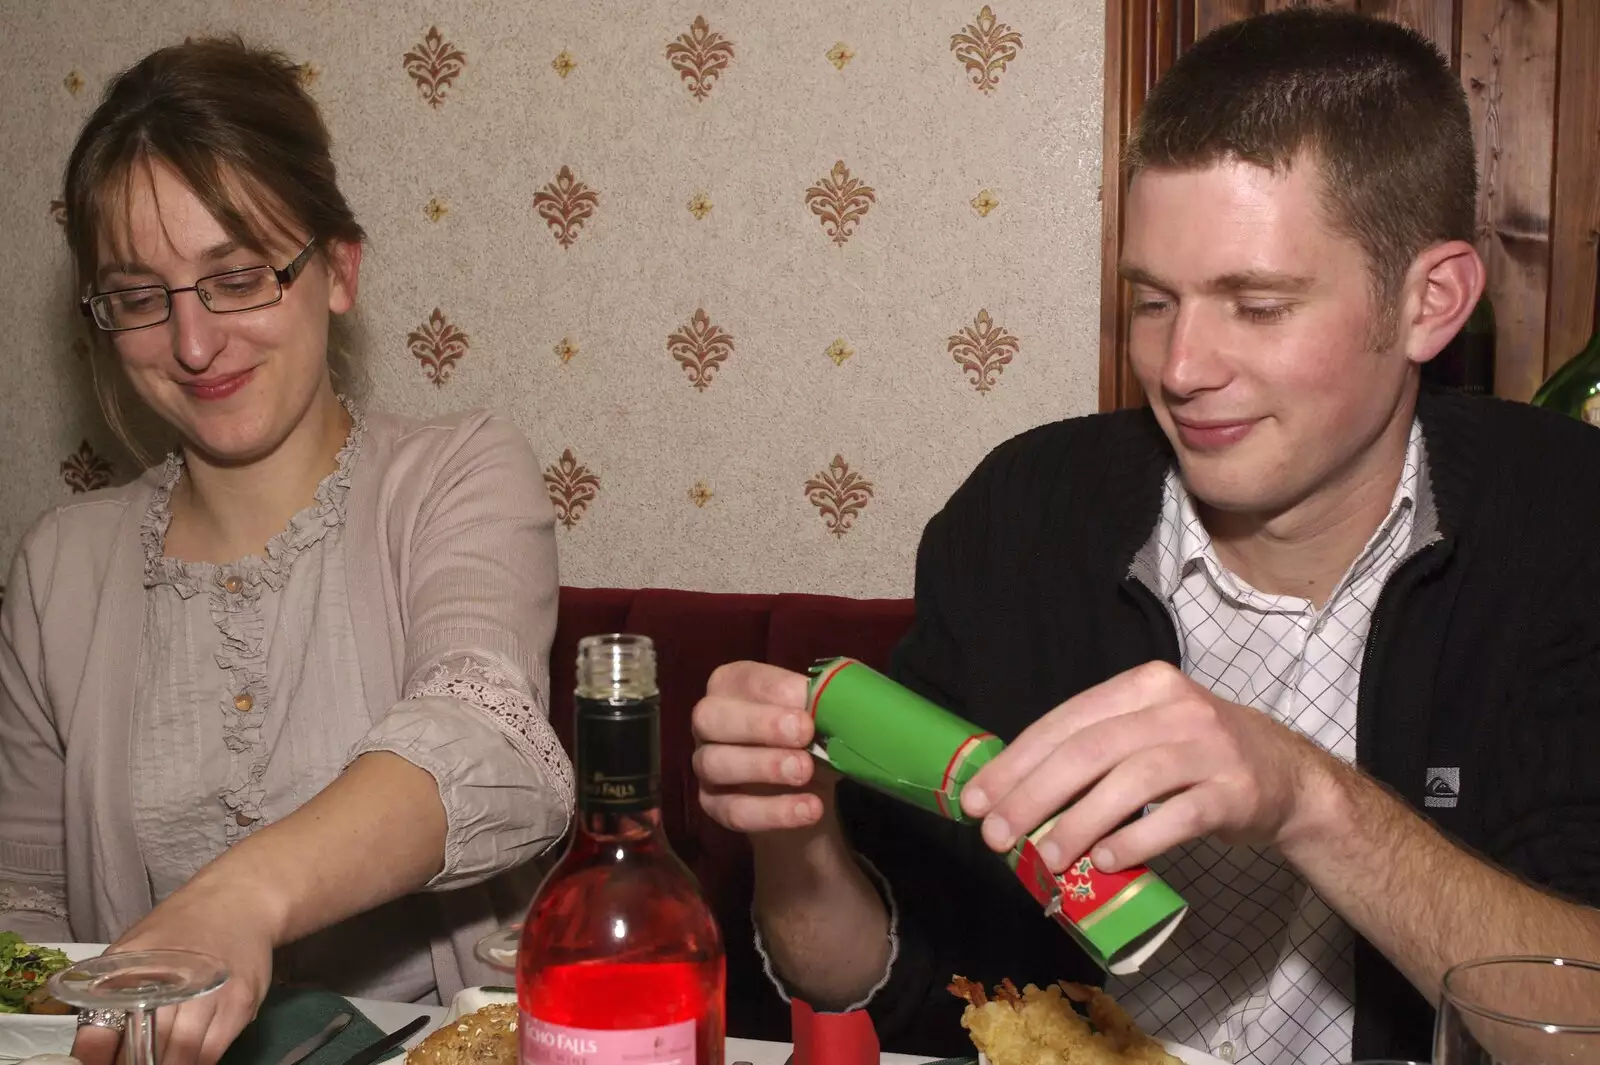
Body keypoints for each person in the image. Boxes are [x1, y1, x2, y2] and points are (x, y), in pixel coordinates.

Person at [693, 9, 1600, 1064]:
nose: (1180, 366)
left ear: (1429, 303)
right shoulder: (1024, 514)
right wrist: (794, 836)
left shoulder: (1566, 529)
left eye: (1255, 305)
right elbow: (876, 989)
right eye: (1152, 301)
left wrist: (1308, 798)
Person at [0, 37, 573, 1065]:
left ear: (338, 270)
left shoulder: (458, 475)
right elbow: (29, 917)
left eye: (237, 276)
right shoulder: (56, 569)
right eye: (140, 296)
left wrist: (237, 901)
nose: (193, 344)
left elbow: (489, 744)